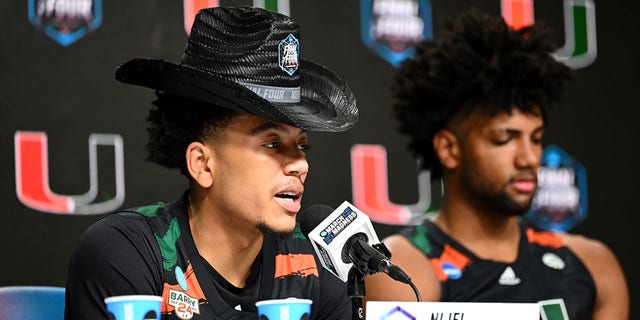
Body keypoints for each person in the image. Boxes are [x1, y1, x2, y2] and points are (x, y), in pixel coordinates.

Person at [64, 6, 358, 319]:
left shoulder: (316, 264)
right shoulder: (126, 251)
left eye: (302, 145)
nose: (300, 165)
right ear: (203, 164)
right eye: (273, 144)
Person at [363, 8, 629, 320]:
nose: (529, 158)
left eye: (536, 138)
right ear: (449, 148)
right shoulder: (399, 271)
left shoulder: (593, 266)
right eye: (505, 138)